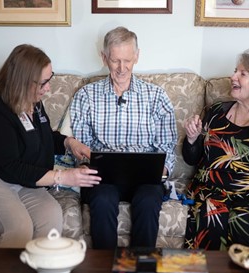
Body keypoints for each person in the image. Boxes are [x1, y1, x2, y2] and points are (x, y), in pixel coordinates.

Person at [0, 44, 101, 248]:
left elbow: (43, 137)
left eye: (50, 78)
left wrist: (69, 142)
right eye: (44, 83)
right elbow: (11, 167)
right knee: (19, 229)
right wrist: (62, 176)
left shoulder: (33, 103)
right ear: (22, 82)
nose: (48, 88)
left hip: (22, 182)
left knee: (51, 221)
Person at [70, 26, 177, 249]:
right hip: (104, 179)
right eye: (115, 60)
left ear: (137, 56)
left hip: (145, 179)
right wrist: (86, 162)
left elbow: (167, 146)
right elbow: (81, 145)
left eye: (127, 60)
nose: (121, 68)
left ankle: (141, 266)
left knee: (148, 201)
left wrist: (163, 169)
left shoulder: (156, 96)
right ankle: (104, 265)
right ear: (104, 57)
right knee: (102, 199)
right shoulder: (87, 95)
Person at [183, 49, 249, 250]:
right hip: (213, 187)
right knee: (211, 215)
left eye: (242, 74)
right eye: (235, 71)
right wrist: (192, 139)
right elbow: (193, 159)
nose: (233, 76)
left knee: (244, 219)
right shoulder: (217, 112)